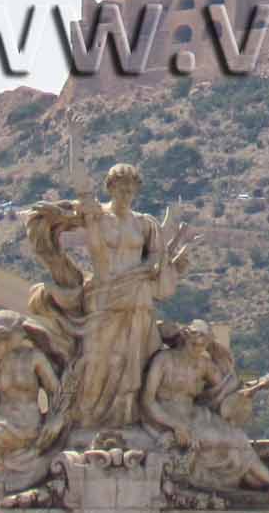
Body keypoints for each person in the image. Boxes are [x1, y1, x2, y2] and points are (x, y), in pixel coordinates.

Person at [60, 165, 192, 432]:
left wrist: (150, 268)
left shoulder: (144, 224)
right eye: (121, 188)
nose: (127, 194)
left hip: (137, 297)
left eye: (131, 189)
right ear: (110, 188)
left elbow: (157, 255)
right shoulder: (97, 217)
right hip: (104, 296)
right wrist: (75, 139)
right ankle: (87, 418)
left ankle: (127, 417)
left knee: (132, 360)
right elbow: (80, 183)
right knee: (98, 358)